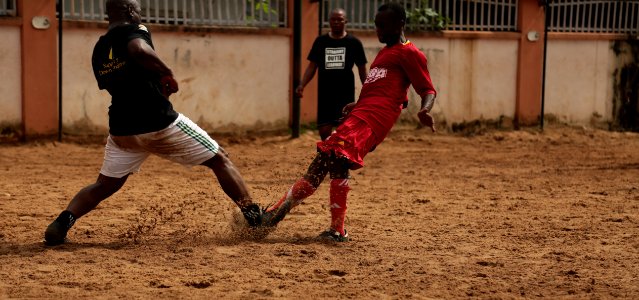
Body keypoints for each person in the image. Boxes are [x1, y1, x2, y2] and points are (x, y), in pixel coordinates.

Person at [44, 0, 262, 246]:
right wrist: (167, 72)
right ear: (129, 11)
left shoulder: (100, 46)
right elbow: (139, 50)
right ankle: (255, 218)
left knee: (104, 185)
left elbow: (120, 83)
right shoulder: (136, 31)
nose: (141, 13)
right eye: (138, 9)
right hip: (157, 121)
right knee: (219, 158)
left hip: (121, 129)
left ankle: (63, 222)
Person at [263, 2, 437, 242]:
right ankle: (276, 215)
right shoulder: (384, 52)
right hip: (360, 114)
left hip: (372, 121)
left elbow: (427, 89)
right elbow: (382, 89)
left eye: (382, 26)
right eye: (376, 25)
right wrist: (358, 103)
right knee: (323, 161)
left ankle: (322, 227)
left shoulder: (410, 53)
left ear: (399, 24)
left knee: (336, 159)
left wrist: (425, 110)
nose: (378, 30)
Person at [295, 8, 368, 141]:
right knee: (324, 131)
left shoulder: (354, 43)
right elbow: (312, 66)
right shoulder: (321, 42)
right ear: (329, 21)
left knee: (345, 130)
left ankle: (343, 159)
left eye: (339, 19)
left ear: (345, 21)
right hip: (325, 93)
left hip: (345, 93)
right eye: (333, 19)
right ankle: (328, 158)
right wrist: (302, 84)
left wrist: (369, 90)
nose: (336, 22)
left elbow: (362, 69)